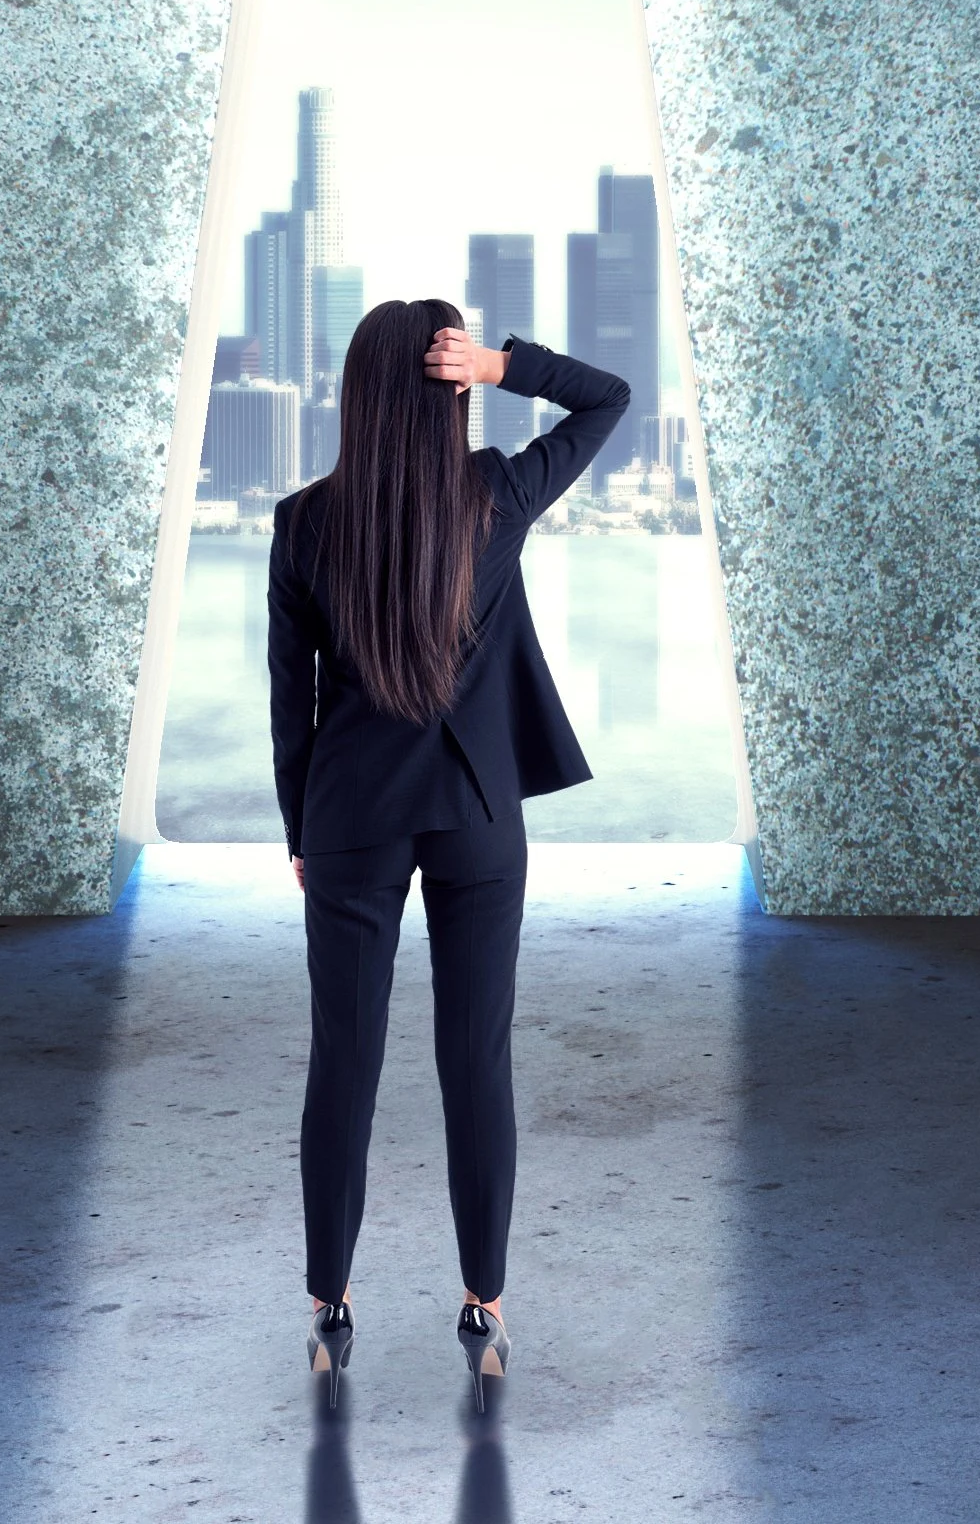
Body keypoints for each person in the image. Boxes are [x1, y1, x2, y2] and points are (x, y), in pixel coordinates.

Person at [268, 298, 629, 1411]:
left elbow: (295, 701)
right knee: (476, 1063)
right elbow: (606, 398)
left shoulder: (303, 522)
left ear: (356, 393)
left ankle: (329, 1307)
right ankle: (485, 1305)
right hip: (477, 816)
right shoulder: (494, 497)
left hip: (350, 821)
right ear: (449, 386)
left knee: (345, 1061)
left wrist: (299, 830)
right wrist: (508, 363)